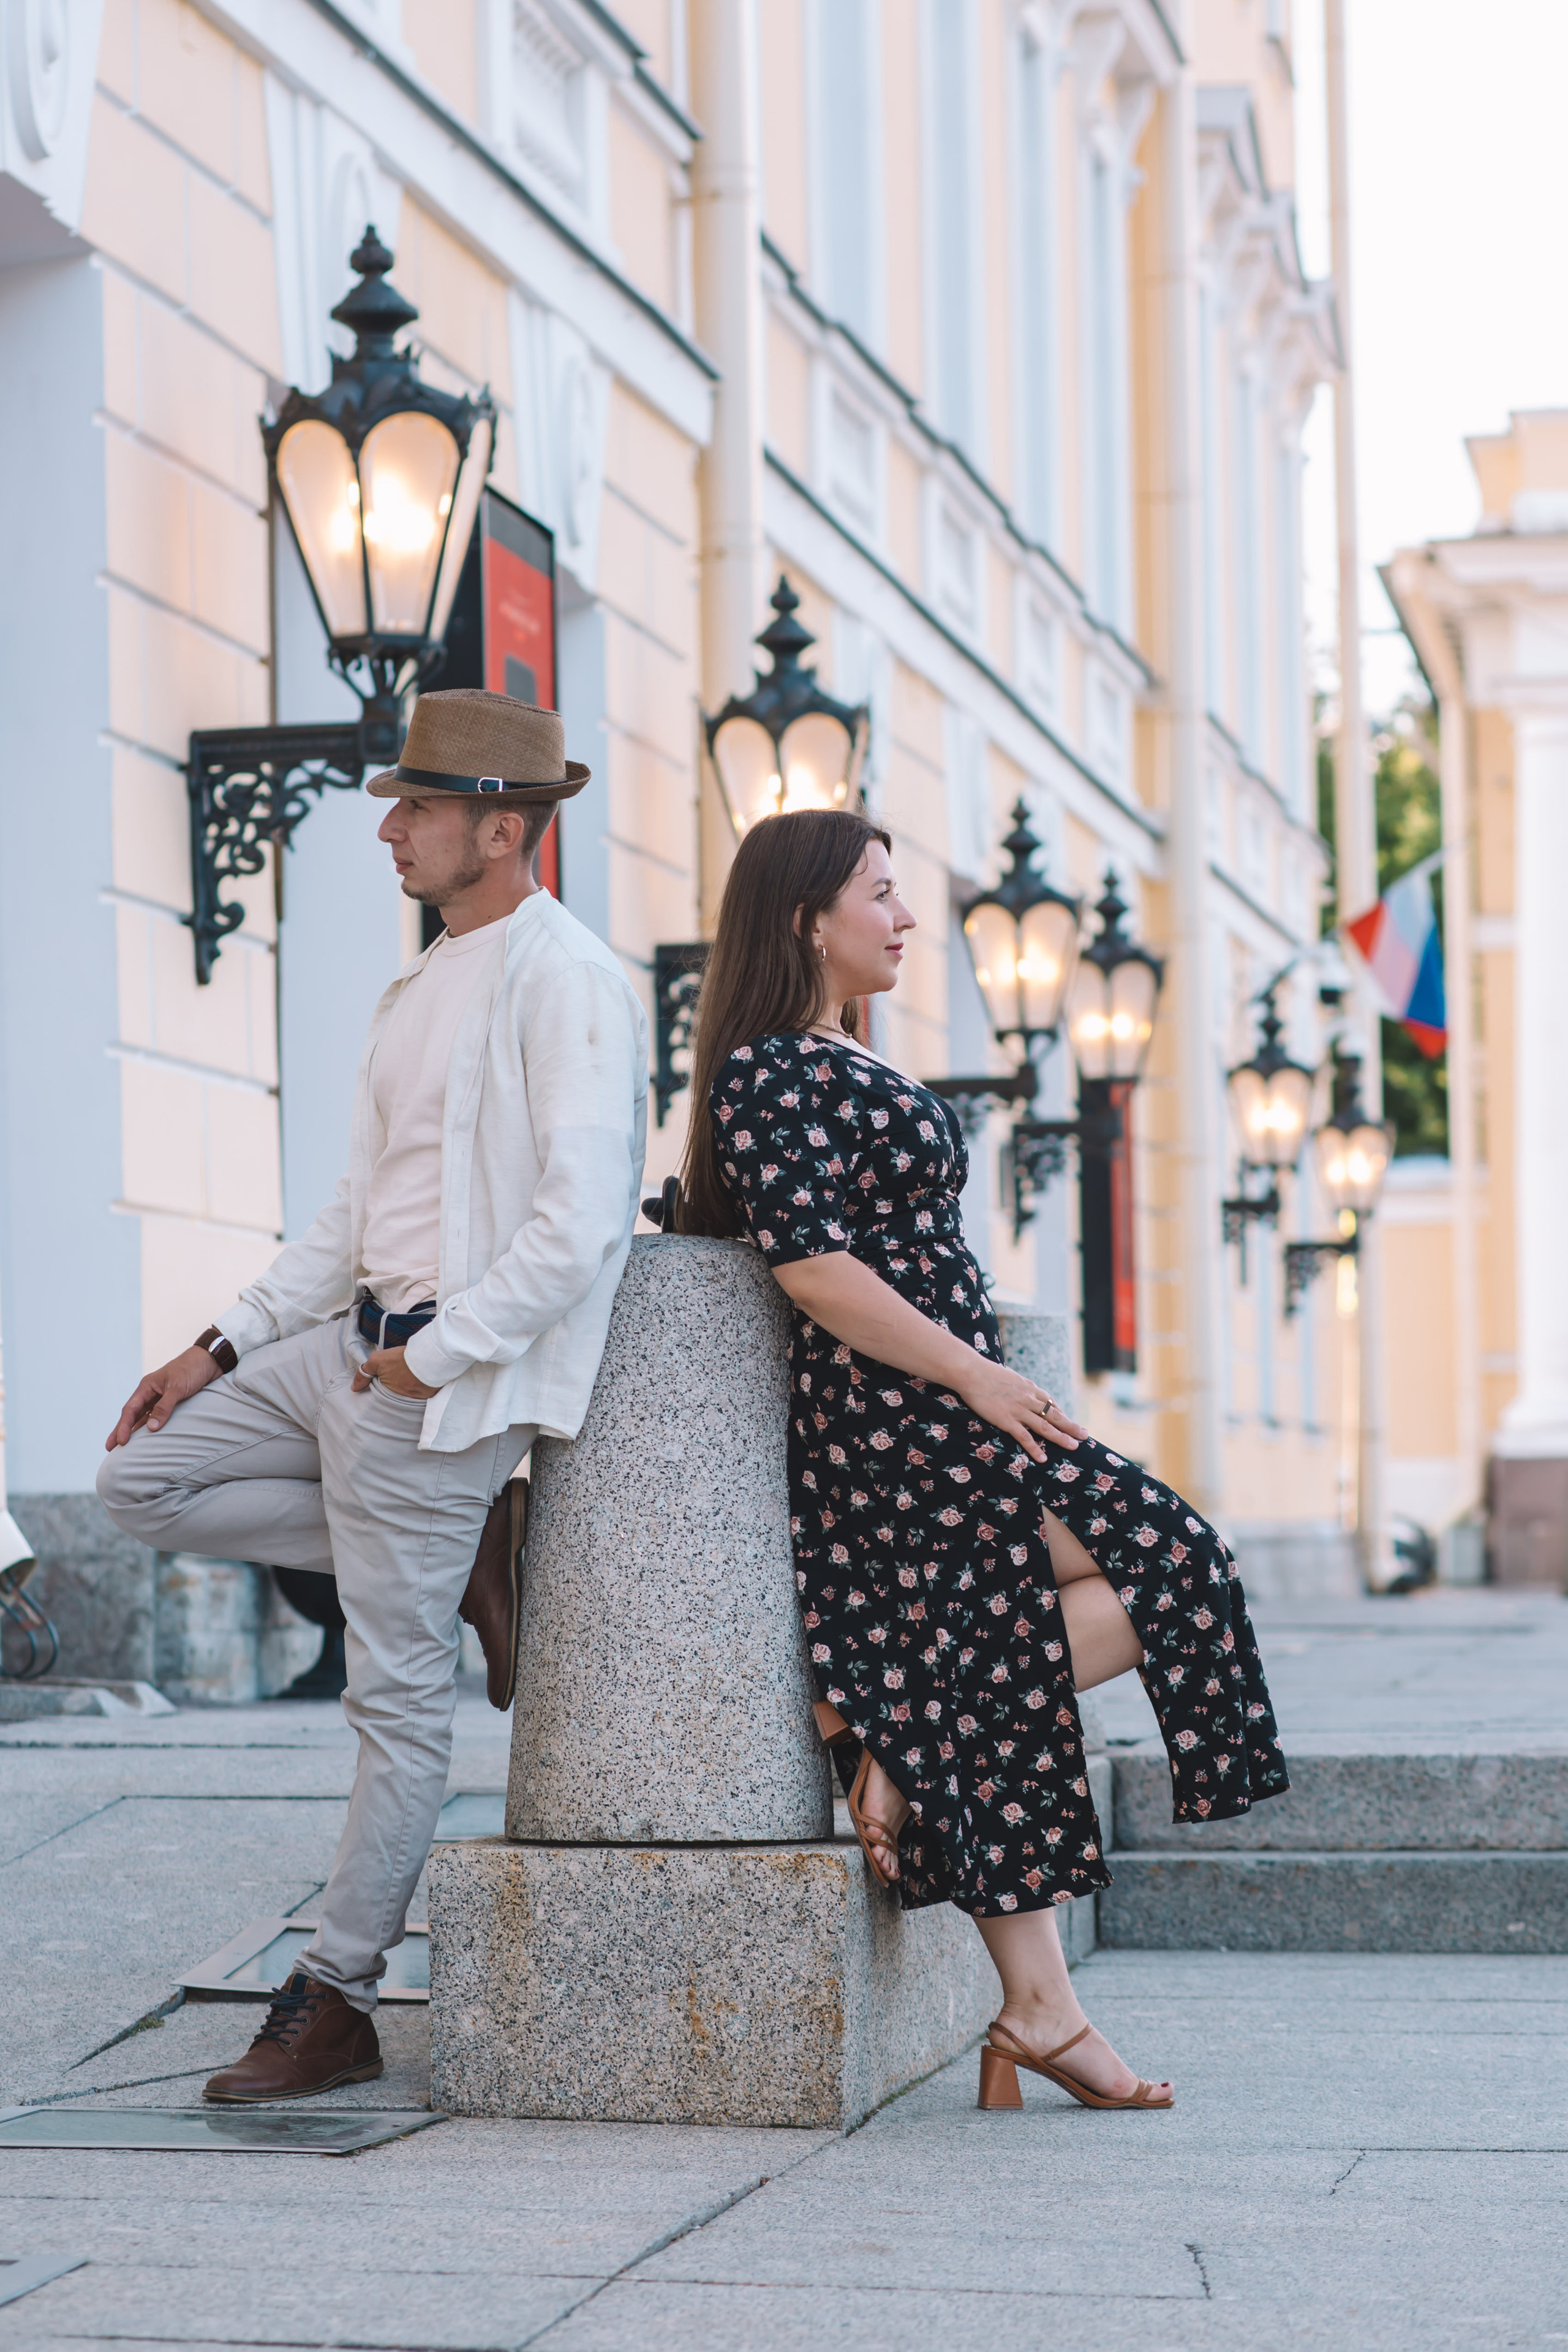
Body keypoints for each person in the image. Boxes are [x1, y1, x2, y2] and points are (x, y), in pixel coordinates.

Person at [677, 808, 1288, 2113]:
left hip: (949, 1412)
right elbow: (812, 1265)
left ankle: (1023, 1980)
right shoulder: (767, 1071)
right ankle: (931, 1787)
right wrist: (970, 1369)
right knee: (1168, 1559)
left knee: (1077, 1613)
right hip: (901, 1425)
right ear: (804, 917)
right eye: (882, 895)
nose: (903, 920)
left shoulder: (843, 1056)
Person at [97, 690, 647, 2103]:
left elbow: (580, 1224)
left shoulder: (563, 977)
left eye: (417, 808)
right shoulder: (421, 980)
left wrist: (440, 1354)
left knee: (393, 1704)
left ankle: (335, 1998)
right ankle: (464, 1552)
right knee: (141, 1479)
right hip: (345, 1345)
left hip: (431, 1384)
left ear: (502, 827)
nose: (390, 829)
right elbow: (353, 1208)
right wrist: (217, 1346)